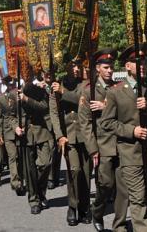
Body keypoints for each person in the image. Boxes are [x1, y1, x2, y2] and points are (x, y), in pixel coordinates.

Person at [99, 43, 147, 232]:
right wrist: (131, 131)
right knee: (138, 200)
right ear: (127, 66)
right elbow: (107, 123)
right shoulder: (116, 91)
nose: (142, 64)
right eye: (137, 61)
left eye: (145, 59)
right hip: (130, 153)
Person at [78, 48, 129, 232]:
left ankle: (120, 225)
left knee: (123, 188)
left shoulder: (119, 87)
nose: (110, 70)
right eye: (106, 67)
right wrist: (93, 149)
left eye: (111, 67)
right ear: (98, 68)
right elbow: (85, 123)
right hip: (102, 144)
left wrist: (105, 106)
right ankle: (97, 212)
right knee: (105, 185)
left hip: (121, 142)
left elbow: (126, 111)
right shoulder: (88, 91)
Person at [50, 58, 91, 226]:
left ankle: (84, 207)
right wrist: (60, 136)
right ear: (65, 67)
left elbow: (83, 102)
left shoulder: (86, 85)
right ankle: (72, 206)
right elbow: (54, 113)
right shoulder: (56, 86)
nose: (76, 69)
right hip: (69, 136)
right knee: (74, 171)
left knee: (86, 173)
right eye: (72, 65)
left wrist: (63, 92)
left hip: (86, 135)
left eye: (78, 66)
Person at [19, 80, 52, 215]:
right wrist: (15, 125)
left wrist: (26, 99)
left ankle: (40, 191)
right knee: (30, 170)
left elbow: (44, 107)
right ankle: (34, 200)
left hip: (41, 130)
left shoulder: (39, 90)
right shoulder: (15, 92)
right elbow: (10, 115)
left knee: (45, 163)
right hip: (26, 133)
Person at [0, 76, 23, 193]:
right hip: (8, 132)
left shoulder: (20, 95)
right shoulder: (0, 99)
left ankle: (21, 177)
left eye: (13, 83)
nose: (11, 85)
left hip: (21, 130)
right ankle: (16, 182)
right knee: (13, 156)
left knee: (21, 157)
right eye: (9, 83)